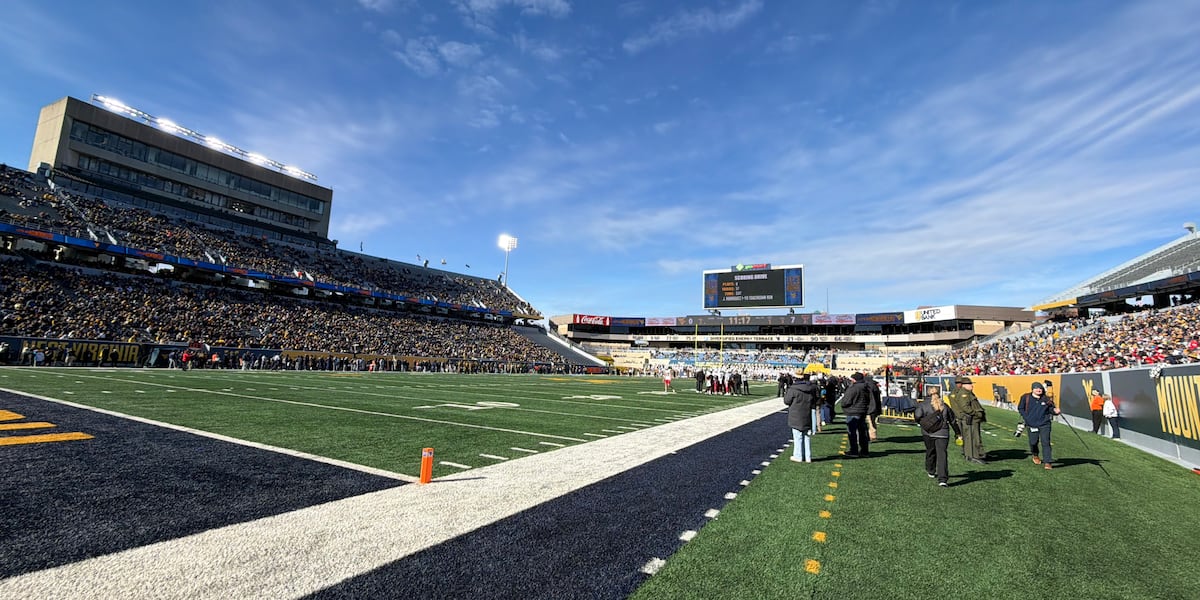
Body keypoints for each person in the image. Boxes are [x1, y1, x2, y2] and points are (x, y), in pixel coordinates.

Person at [1018, 381, 1061, 469]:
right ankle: (1035, 454)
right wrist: (1026, 417)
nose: (1039, 390)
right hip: (1031, 424)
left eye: (1040, 388)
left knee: (1046, 442)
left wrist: (1055, 412)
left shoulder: (1046, 399)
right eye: (1036, 388)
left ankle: (1047, 462)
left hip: (1044, 424)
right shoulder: (1025, 397)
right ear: (1032, 389)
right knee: (1033, 442)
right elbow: (1020, 408)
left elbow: (1051, 409)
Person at [913, 389, 952, 486]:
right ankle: (942, 479)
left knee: (930, 451)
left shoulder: (922, 405)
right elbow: (953, 419)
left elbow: (917, 416)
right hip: (943, 433)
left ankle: (931, 470)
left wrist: (922, 422)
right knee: (942, 455)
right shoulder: (944, 405)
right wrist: (958, 433)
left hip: (928, 432)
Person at [949, 376, 987, 464]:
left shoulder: (965, 393)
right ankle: (973, 455)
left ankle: (972, 454)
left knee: (970, 437)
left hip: (965, 417)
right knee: (971, 437)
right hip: (966, 418)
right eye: (970, 384)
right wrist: (975, 413)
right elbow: (963, 407)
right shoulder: (963, 394)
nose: (972, 386)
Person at [783, 372, 819, 462]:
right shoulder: (810, 388)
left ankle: (798, 456)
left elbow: (787, 401)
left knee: (798, 436)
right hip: (807, 413)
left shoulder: (793, 389)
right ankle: (808, 456)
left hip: (796, 415)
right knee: (806, 436)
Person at [841, 372, 872, 457]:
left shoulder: (853, 388)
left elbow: (846, 401)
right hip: (862, 411)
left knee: (852, 433)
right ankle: (864, 451)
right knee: (863, 432)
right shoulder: (866, 387)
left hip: (853, 411)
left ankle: (854, 451)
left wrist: (845, 406)